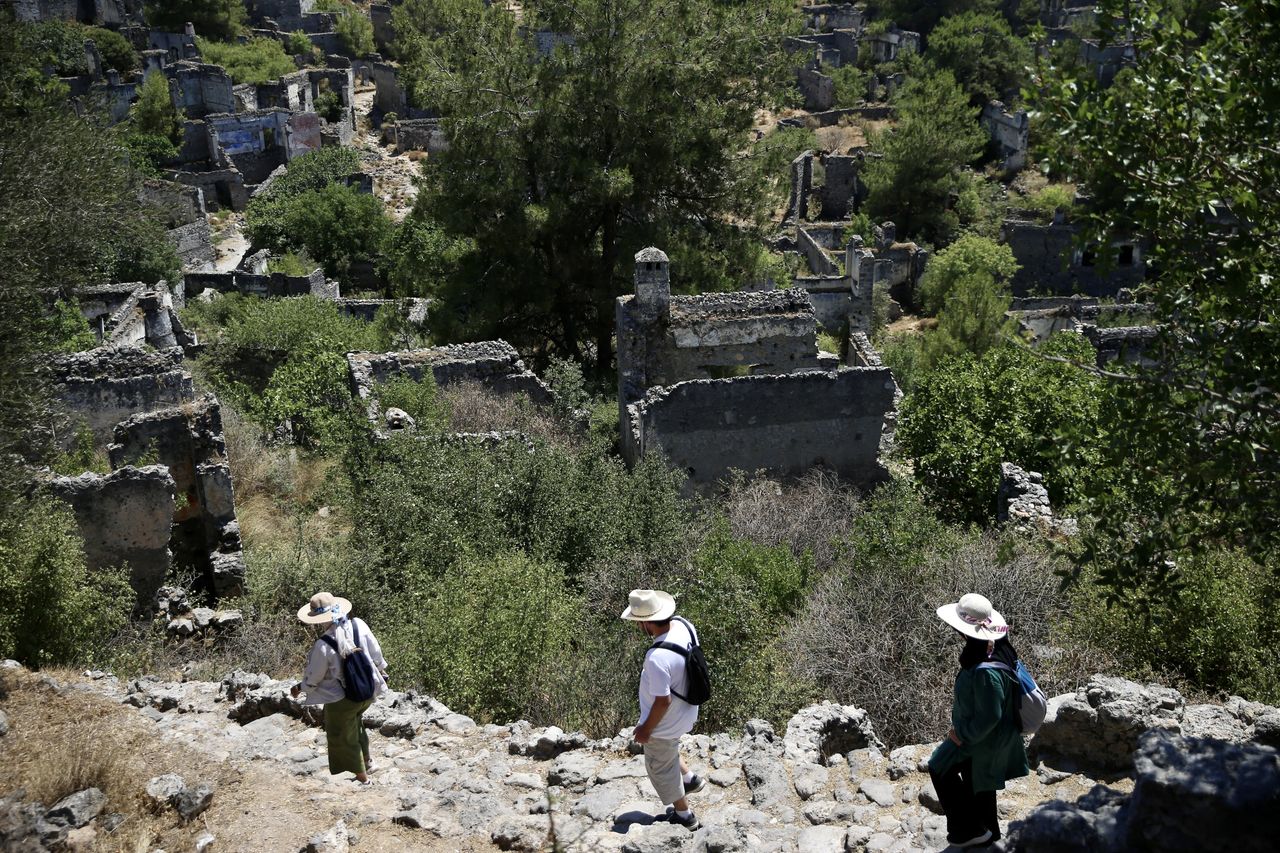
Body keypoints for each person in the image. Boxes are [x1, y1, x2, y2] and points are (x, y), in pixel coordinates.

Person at [929, 593, 1030, 849]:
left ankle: (969, 830)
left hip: (983, 737)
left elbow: (990, 716)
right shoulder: (995, 648)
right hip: (993, 737)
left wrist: (961, 734)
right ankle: (989, 835)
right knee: (979, 783)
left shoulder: (985, 670)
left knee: (939, 767)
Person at [621, 588, 705, 831]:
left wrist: (646, 729)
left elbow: (662, 701)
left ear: (647, 623)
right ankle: (690, 779)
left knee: (660, 765)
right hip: (689, 708)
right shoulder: (683, 625)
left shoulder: (657, 657)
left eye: (639, 622)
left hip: (666, 721)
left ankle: (684, 815)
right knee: (668, 750)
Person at [290, 591, 389, 784]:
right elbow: (376, 653)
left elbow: (314, 678)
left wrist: (300, 688)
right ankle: (368, 762)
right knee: (356, 724)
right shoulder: (358, 625)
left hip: (342, 698)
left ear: (318, 618)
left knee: (341, 735)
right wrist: (381, 672)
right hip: (367, 690)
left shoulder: (323, 644)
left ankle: (362, 778)